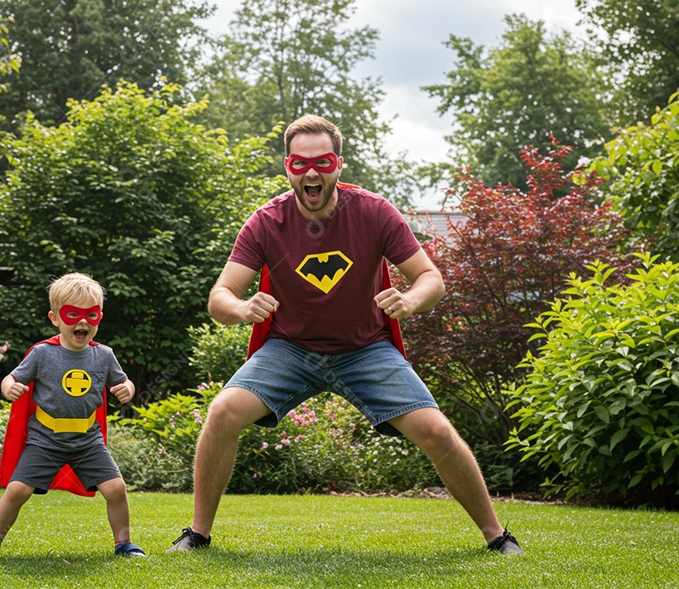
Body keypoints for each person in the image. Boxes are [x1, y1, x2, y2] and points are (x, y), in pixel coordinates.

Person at [166, 115, 524, 556]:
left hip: (365, 350)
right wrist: (242, 308)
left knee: (436, 431)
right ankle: (197, 534)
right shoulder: (265, 222)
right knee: (223, 412)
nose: (312, 173)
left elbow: (431, 278)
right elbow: (220, 295)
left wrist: (411, 300)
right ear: (287, 167)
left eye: (323, 162)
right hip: (289, 350)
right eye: (300, 164)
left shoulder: (374, 212)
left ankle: (497, 537)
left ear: (339, 165)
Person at [0, 272, 146, 560]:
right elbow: (11, 378)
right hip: (44, 441)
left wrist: (127, 388)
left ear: (99, 317)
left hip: (88, 441)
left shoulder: (103, 355)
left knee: (116, 488)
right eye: (72, 314)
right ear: (55, 318)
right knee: (17, 491)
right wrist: (9, 388)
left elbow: (123, 381)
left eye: (91, 315)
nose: (83, 322)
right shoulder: (42, 353)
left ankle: (124, 544)